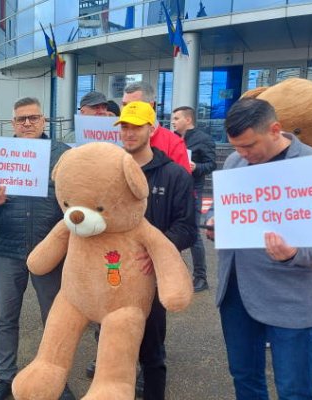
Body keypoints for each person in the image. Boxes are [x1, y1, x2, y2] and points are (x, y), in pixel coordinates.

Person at [205, 98, 312, 399]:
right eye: (236, 146)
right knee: (244, 378)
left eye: (249, 146)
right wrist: (214, 222)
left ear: (275, 130)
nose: (241, 154)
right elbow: (230, 210)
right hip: (236, 292)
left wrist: (296, 253)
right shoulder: (236, 161)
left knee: (294, 390)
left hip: (291, 297)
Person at [88, 101, 196, 400]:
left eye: (136, 125)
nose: (129, 132)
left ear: (152, 128)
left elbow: (186, 228)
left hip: (150, 277)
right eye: (124, 126)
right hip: (111, 274)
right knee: (110, 353)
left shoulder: (174, 175)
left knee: (152, 355)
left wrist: (156, 251)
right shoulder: (109, 171)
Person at [0, 97, 74, 400]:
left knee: (55, 320)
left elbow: (77, 196)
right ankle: (5, 378)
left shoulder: (63, 155)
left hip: (50, 251)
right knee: (6, 317)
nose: (28, 124)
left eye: (33, 118)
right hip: (8, 249)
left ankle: (57, 379)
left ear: (44, 121)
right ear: (13, 124)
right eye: (21, 119)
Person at [171, 106, 216, 292]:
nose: (172, 121)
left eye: (176, 118)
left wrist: (196, 166)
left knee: (194, 234)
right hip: (174, 189)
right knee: (174, 231)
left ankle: (201, 277)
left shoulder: (203, 139)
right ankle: (175, 275)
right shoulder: (172, 138)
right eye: (172, 118)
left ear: (188, 120)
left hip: (193, 191)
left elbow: (211, 164)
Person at [122, 82, 191, 174]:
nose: (127, 110)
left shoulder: (173, 144)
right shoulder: (116, 139)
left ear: (151, 105)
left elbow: (182, 183)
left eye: (134, 105)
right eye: (124, 105)